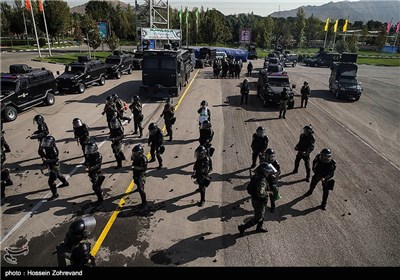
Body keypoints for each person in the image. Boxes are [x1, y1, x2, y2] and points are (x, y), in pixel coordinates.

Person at [238, 162, 277, 236]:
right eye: (267, 172)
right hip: (259, 201)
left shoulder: (257, 175)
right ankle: (243, 227)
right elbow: (260, 193)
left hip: (255, 199)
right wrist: (269, 193)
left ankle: (259, 227)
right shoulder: (262, 182)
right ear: (263, 171)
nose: (268, 173)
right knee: (258, 217)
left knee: (262, 214)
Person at [39, 135, 69, 200]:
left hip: (54, 165)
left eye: (47, 142)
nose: (46, 144)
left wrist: (46, 161)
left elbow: (55, 159)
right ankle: (65, 183)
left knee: (51, 181)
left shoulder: (53, 150)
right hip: (51, 164)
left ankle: (55, 194)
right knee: (58, 174)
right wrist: (40, 146)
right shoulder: (48, 147)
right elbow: (40, 153)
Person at [131, 144, 148, 209]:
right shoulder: (135, 157)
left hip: (141, 175)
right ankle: (138, 187)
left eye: (136, 153)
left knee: (141, 189)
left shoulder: (144, 159)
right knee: (136, 182)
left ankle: (144, 202)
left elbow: (144, 168)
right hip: (136, 174)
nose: (134, 154)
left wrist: (135, 167)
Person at [264, 148, 281, 213]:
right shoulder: (264, 161)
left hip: (272, 180)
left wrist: (275, 175)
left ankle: (273, 206)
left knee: (272, 194)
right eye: (270, 156)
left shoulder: (276, 163)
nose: (272, 158)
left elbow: (279, 171)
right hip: (265, 179)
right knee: (261, 191)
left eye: (273, 156)